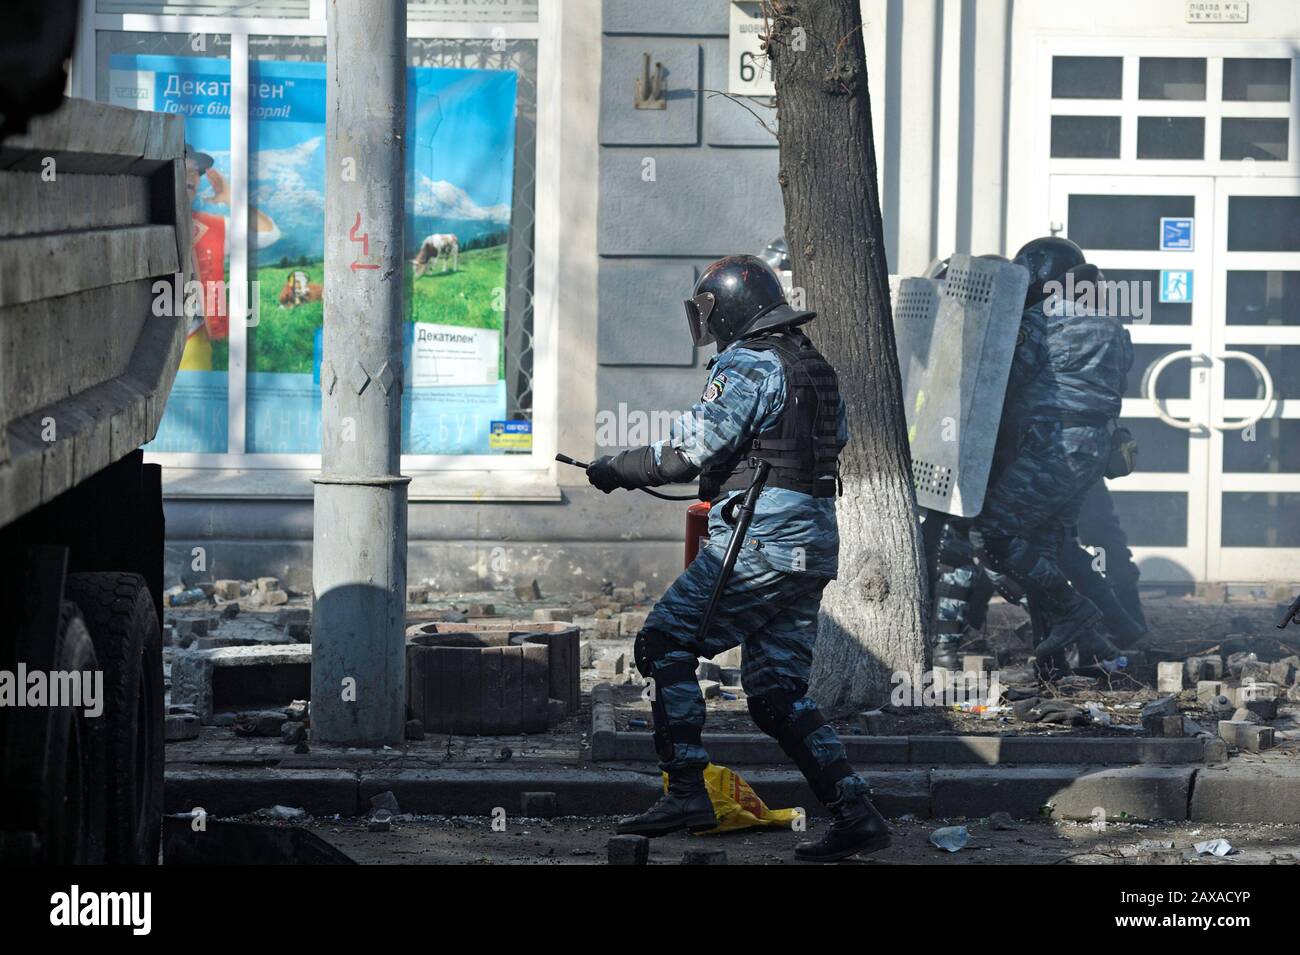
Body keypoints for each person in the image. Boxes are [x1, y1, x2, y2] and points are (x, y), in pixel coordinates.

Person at [584, 254, 890, 862]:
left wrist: (616, 468)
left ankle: (688, 792)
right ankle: (857, 814)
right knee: (777, 692)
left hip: (760, 540)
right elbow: (827, 444)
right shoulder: (814, 365)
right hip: (811, 541)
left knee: (664, 645)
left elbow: (687, 453)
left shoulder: (749, 362)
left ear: (725, 310)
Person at [970, 237, 1133, 673]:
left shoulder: (1039, 323)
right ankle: (1056, 663)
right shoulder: (1113, 327)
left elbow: (1001, 385)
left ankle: (1074, 610)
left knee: (994, 535)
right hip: (1093, 453)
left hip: (1050, 446)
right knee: (1045, 546)